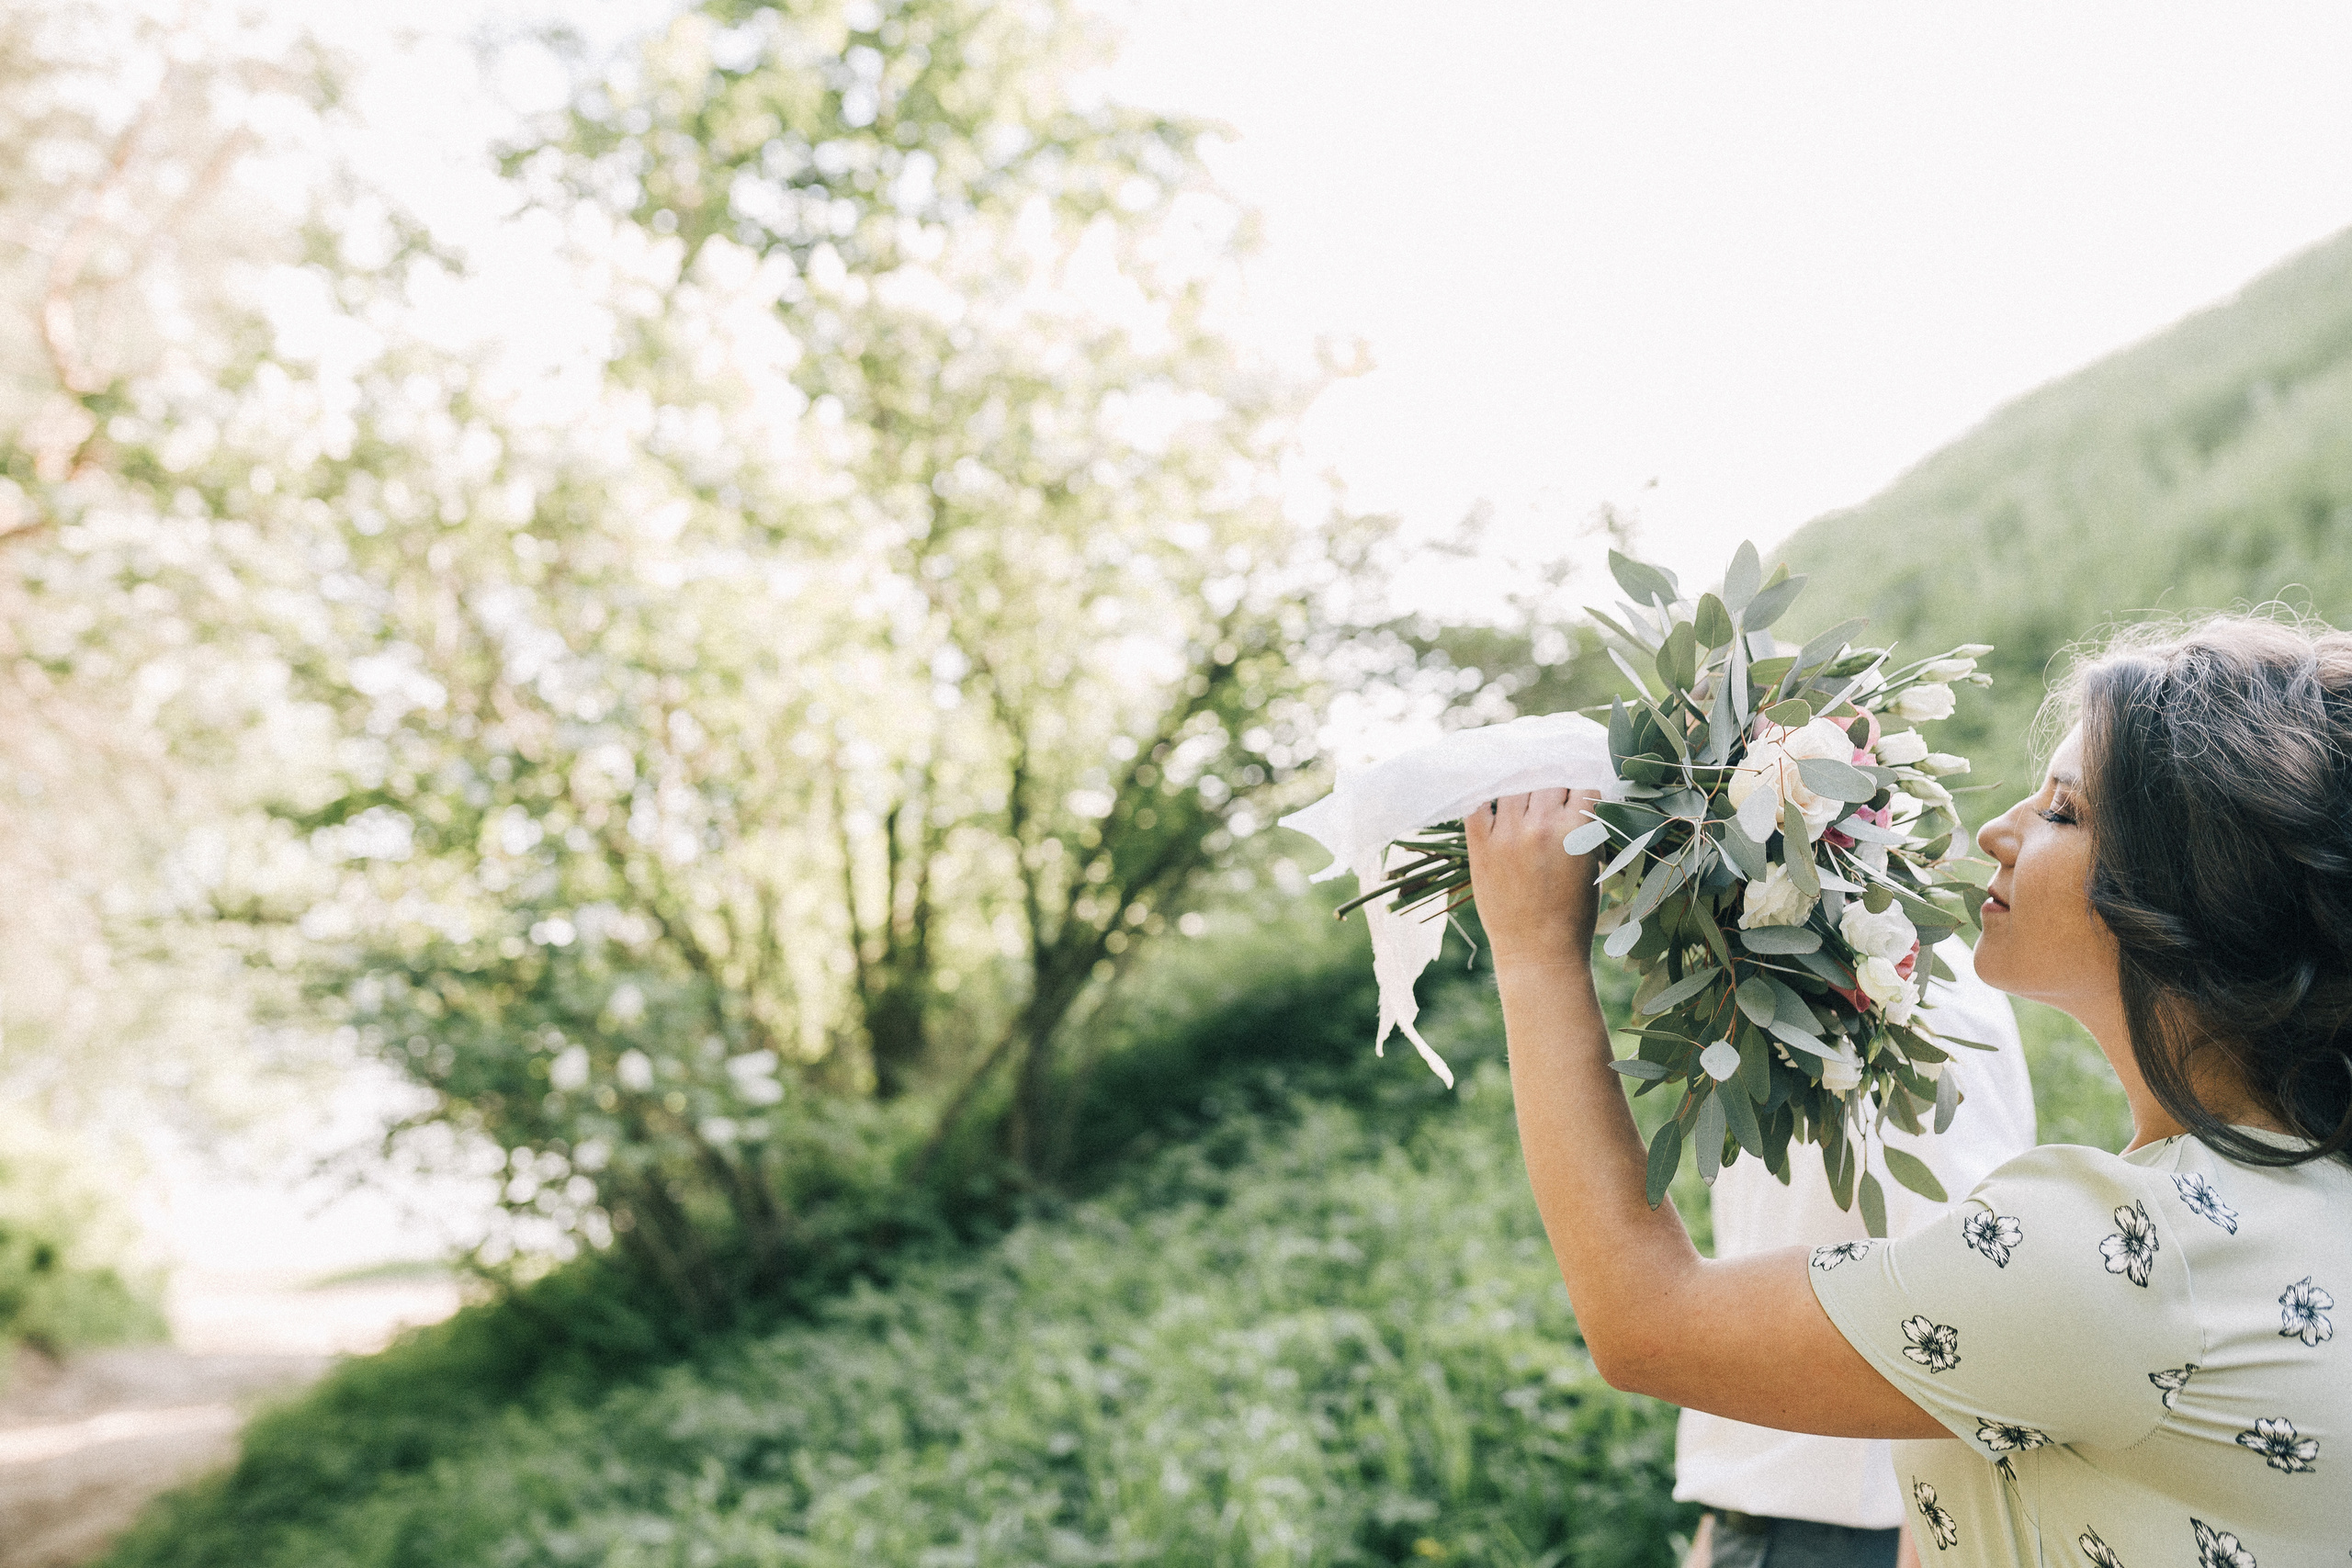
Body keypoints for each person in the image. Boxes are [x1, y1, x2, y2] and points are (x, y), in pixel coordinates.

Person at [1464, 617, 2352, 1566]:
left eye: (2061, 813)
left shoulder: (2126, 1256)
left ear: (2195, 892)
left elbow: (1647, 1326)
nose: (1994, 832)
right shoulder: (2293, 1197)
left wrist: (1530, 952)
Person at [1676, 938, 2035, 1568]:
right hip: (1750, 1523)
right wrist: (1720, 1525)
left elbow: (1973, 1308)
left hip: (1861, 1538)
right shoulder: (1753, 985)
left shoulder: (1915, 991)